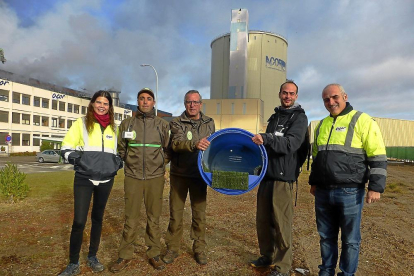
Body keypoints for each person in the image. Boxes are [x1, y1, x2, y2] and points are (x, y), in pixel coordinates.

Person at [309, 84, 387, 276]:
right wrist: (314, 182)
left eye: (335, 97)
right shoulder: (322, 125)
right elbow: (317, 157)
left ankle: (347, 273)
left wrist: (375, 187)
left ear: (345, 96)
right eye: (326, 99)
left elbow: (377, 155)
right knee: (326, 237)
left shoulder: (363, 120)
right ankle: (326, 272)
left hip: (350, 192)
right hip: (323, 192)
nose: (331, 102)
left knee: (350, 240)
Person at [58, 91, 123, 276]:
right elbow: (66, 147)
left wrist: (116, 165)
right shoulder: (81, 124)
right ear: (92, 104)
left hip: (106, 180)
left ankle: (92, 256)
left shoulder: (114, 128)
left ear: (110, 107)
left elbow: (118, 152)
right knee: (79, 221)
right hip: (84, 179)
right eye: (99, 102)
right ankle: (73, 263)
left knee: (97, 218)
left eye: (106, 103)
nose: (102, 106)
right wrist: (80, 161)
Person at [250, 80, 309, 276]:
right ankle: (266, 256)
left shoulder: (299, 118)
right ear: (279, 93)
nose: (287, 96)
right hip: (267, 176)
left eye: (291, 93)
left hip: (282, 180)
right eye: (285, 93)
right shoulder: (274, 117)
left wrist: (267, 138)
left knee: (282, 224)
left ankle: (282, 266)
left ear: (296, 96)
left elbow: (291, 144)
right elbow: (267, 148)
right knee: (263, 221)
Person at [109, 88, 170, 272]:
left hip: (155, 178)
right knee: (131, 218)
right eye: (142, 99)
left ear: (154, 102)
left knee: (154, 218)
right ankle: (125, 255)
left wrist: (160, 164)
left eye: (149, 99)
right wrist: (128, 160)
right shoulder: (127, 124)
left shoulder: (162, 125)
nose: (145, 102)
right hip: (133, 177)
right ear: (138, 101)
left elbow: (168, 150)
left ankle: (154, 253)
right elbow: (121, 148)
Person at [162, 90, 215, 265]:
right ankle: (172, 248)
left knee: (199, 214)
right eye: (188, 102)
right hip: (179, 175)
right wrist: (195, 144)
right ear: (185, 104)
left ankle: (199, 248)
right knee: (175, 214)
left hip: (200, 176)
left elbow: (213, 148)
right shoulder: (176, 122)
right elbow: (176, 143)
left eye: (195, 102)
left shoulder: (209, 123)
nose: (192, 105)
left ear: (201, 104)